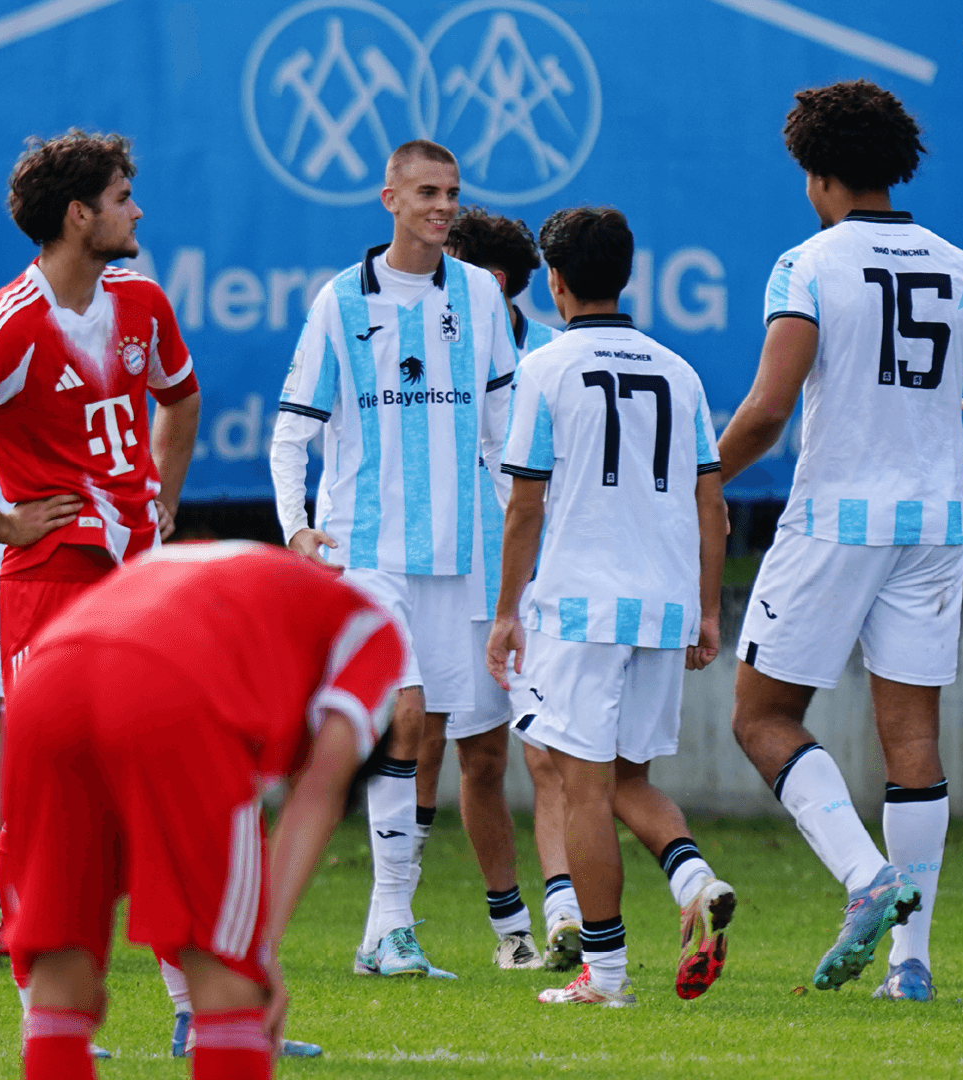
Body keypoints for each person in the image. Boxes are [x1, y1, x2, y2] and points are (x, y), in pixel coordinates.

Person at [717, 80, 963, 1001]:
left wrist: (698, 479)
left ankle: (869, 883)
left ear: (818, 173)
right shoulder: (962, 264)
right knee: (912, 739)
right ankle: (911, 967)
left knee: (760, 716)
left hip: (835, 521)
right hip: (935, 524)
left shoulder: (808, 264)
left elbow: (766, 411)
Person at [0, 130, 202, 964]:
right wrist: (4, 524)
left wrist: (162, 499)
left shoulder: (141, 301)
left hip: (140, 581)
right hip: (53, 584)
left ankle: (194, 1015)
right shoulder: (3, 324)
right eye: (122, 196)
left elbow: (181, 396)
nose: (136, 209)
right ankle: (51, 1025)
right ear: (78, 215)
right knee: (53, 797)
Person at [4, 541, 402, 1080]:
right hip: (170, 689)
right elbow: (321, 788)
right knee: (228, 978)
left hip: (45, 681)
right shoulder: (374, 633)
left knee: (62, 966)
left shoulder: (231, 573)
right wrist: (257, 953)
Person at [269, 139, 515, 978]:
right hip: (368, 547)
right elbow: (292, 429)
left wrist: (521, 531)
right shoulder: (340, 300)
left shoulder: (480, 293)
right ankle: (391, 925)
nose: (442, 206)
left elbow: (502, 427)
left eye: (450, 193)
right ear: (390, 200)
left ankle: (385, 932)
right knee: (405, 713)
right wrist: (296, 527)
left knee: (432, 726)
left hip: (461, 551)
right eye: (426, 193)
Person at [487, 206, 737, 1007]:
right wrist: (705, 610)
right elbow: (714, 506)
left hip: (584, 609)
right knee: (628, 775)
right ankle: (694, 880)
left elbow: (525, 505)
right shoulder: (680, 370)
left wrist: (504, 612)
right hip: (663, 605)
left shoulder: (546, 368)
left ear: (553, 283)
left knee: (582, 788)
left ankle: (608, 976)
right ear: (625, 274)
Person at [441, 205, 576, 970]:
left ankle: (562, 912)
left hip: (545, 583)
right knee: (475, 757)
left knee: (550, 753)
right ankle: (510, 929)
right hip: (460, 585)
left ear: (490, 282)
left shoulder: (553, 361)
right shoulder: (435, 355)